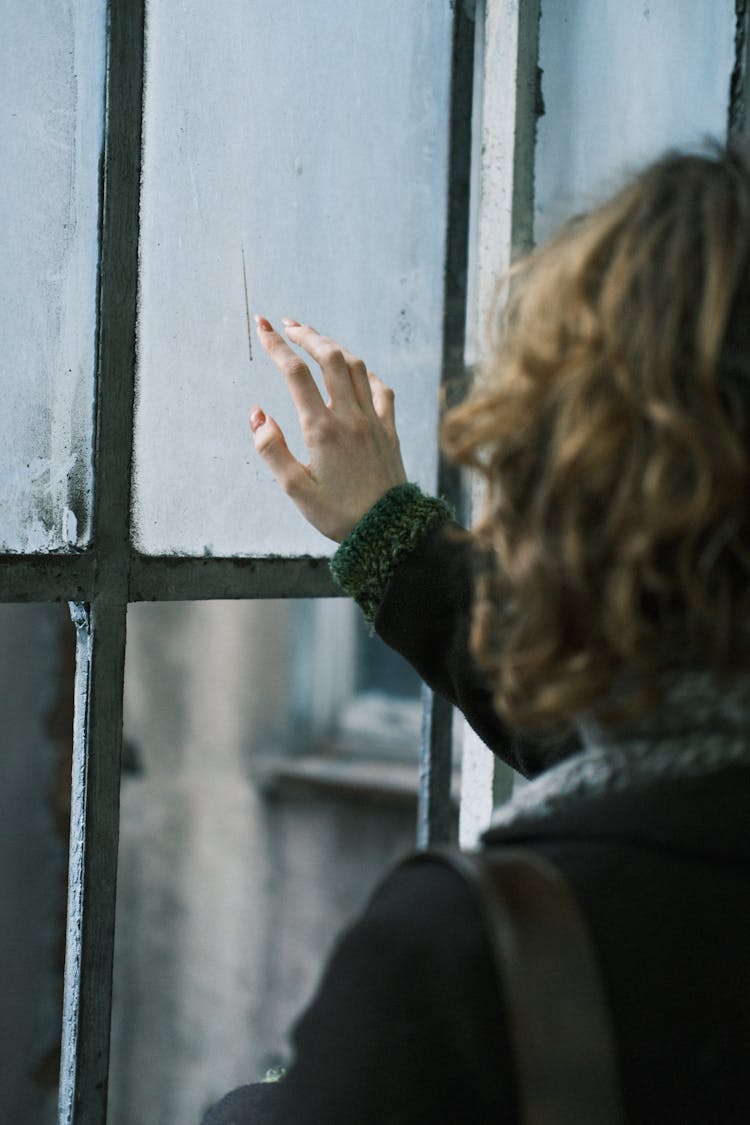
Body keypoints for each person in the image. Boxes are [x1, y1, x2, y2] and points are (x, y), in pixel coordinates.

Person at [203, 143, 750, 1124]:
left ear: (582, 514)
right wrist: (395, 541)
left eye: (516, 459)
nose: (492, 518)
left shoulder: (466, 963)